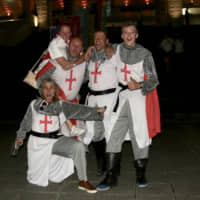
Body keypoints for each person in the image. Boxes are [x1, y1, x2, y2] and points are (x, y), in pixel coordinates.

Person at [96, 22, 161, 191]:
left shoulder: (145, 54)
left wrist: (139, 84)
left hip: (138, 99)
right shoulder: (116, 49)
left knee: (139, 134)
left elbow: (154, 80)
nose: (129, 35)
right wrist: (94, 49)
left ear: (137, 35)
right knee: (113, 133)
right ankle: (110, 176)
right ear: (122, 35)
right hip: (121, 97)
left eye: (132, 32)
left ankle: (141, 173)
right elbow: (101, 49)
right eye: (125, 32)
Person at [15, 78, 105, 193]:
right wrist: (20, 136)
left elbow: (78, 110)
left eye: (51, 87)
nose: (48, 90)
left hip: (55, 141)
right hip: (38, 144)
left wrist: (96, 112)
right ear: (41, 90)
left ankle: (83, 180)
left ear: (55, 90)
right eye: (45, 88)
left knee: (78, 146)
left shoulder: (60, 105)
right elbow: (25, 123)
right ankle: (38, 167)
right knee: (36, 178)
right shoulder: (33, 105)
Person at [36, 37, 87, 137]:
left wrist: (75, 92)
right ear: (68, 45)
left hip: (72, 105)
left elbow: (85, 79)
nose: (75, 48)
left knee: (75, 141)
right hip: (56, 105)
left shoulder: (84, 63)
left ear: (82, 49)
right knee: (56, 139)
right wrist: (49, 95)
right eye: (73, 45)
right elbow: (39, 79)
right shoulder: (55, 61)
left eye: (78, 46)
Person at [84, 30, 118, 176]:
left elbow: (126, 47)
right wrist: (89, 49)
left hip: (108, 98)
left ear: (107, 41)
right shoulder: (90, 57)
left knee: (110, 131)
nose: (98, 41)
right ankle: (101, 161)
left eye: (101, 39)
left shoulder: (114, 54)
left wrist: (112, 47)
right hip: (92, 99)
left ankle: (112, 166)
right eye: (95, 38)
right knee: (95, 133)